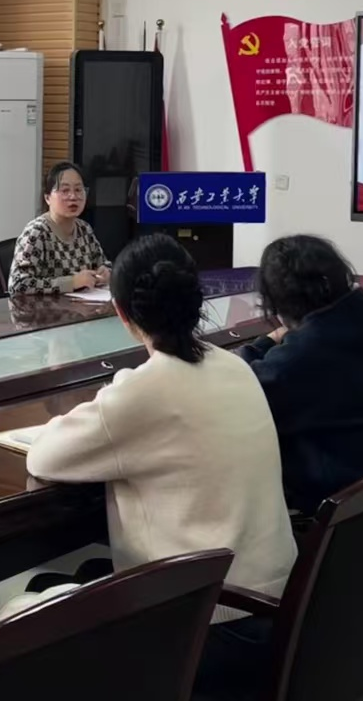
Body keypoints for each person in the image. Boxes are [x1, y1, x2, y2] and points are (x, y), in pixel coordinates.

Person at [25, 235, 295, 607]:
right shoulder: (235, 366)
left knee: (32, 602)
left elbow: (42, 457)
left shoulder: (141, 393)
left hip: (204, 615)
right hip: (275, 601)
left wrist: (114, 393)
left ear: (121, 313)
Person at [237, 235, 363, 512]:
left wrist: (262, 344)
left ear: (277, 302)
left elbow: (245, 385)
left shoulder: (304, 355)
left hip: (348, 507)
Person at [7, 161, 109, 296]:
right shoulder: (37, 232)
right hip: (45, 308)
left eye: (78, 190)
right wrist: (72, 282)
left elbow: (103, 263)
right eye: (65, 190)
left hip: (82, 305)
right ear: (47, 198)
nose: (73, 197)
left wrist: (106, 272)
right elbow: (18, 284)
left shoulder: (84, 229)